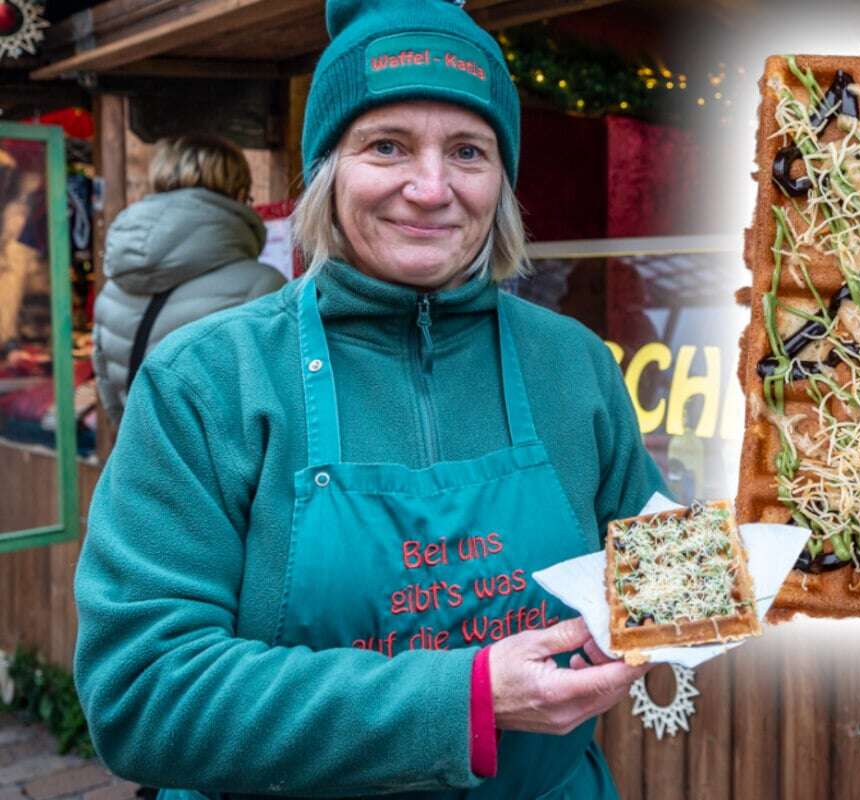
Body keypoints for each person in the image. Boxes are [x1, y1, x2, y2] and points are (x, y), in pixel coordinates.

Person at [73, 1, 667, 798]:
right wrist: (467, 701)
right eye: (387, 146)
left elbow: (655, 582)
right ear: (328, 169)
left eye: (468, 151)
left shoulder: (573, 365)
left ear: (503, 180)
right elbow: (142, 693)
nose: (431, 188)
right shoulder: (208, 381)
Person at [90, 134, 285, 423]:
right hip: (215, 465)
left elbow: (107, 385)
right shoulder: (262, 285)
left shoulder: (114, 285)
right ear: (240, 194)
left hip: (139, 454)